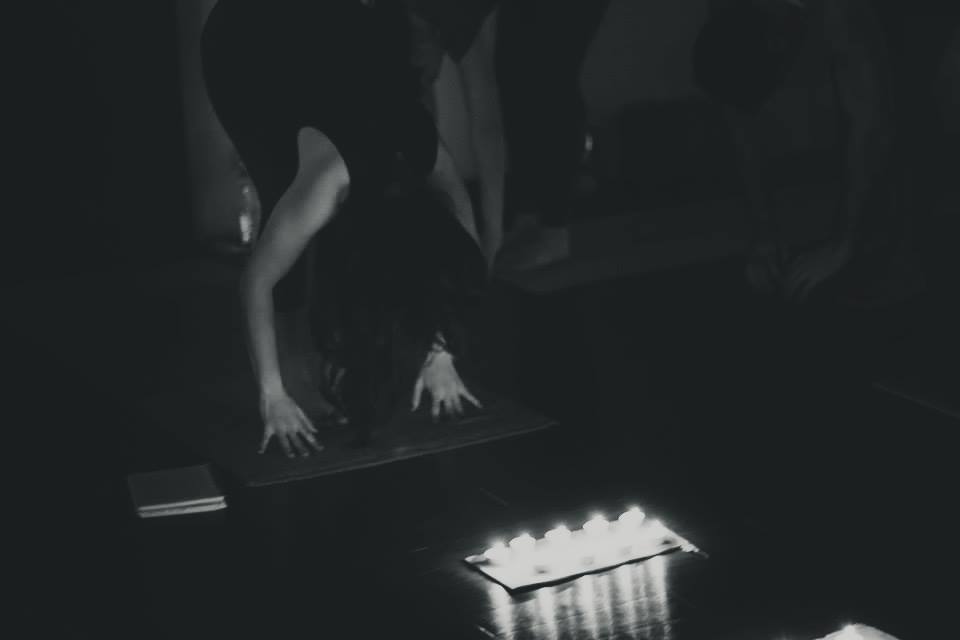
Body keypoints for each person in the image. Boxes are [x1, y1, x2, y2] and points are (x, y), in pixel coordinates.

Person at [202, 0, 486, 457]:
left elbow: (457, 253)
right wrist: (273, 395)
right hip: (243, 38)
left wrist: (441, 353)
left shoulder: (422, 147)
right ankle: (292, 363)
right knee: (279, 207)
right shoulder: (324, 185)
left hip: (326, 52)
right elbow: (256, 283)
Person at [695, 0, 959, 304]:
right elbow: (737, 116)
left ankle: (906, 263)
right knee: (863, 86)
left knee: (903, 100)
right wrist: (764, 233)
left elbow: (872, 124)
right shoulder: (726, 11)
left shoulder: (839, 12)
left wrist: (843, 244)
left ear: (779, 43)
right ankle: (873, 233)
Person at [405, 1, 507, 268]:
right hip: (410, 18)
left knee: (486, 99)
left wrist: (491, 241)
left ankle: (494, 238)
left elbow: (488, 126)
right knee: (415, 99)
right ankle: (437, 225)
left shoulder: (457, 17)